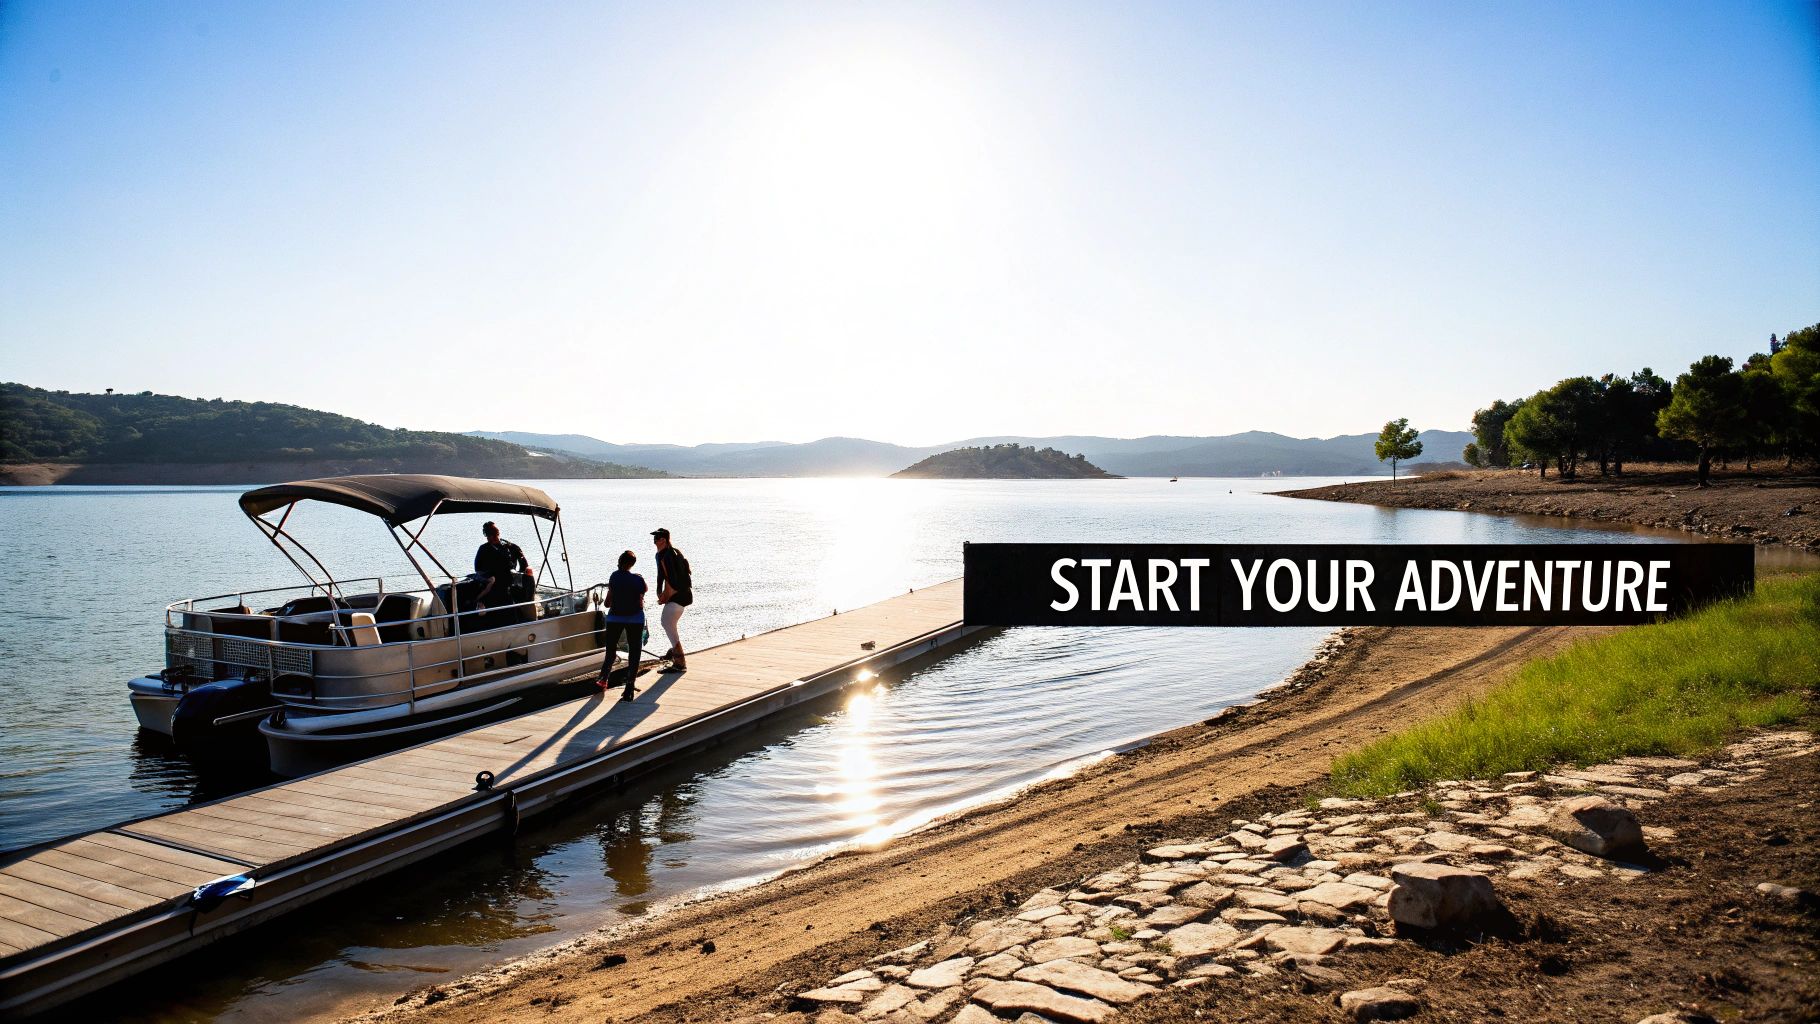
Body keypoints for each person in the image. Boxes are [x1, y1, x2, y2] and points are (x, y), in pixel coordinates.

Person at [596, 549, 647, 701]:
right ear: (632, 564)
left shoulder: (614, 576)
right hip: (635, 619)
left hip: (615, 619)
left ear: (619, 561)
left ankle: (603, 678)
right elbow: (643, 594)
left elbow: (607, 603)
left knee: (610, 650)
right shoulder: (638, 580)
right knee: (635, 651)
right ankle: (629, 687)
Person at [651, 527, 692, 671]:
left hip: (677, 595)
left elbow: (669, 578)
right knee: (668, 624)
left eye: (657, 538)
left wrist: (666, 594)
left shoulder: (665, 555)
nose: (654, 540)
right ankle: (677, 656)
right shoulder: (674, 552)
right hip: (684, 594)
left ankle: (679, 662)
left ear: (664, 540)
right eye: (654, 538)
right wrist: (660, 592)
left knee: (667, 623)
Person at [474, 521, 533, 615]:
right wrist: (488, 579)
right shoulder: (483, 549)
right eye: (488, 535)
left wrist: (520, 576)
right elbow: (478, 569)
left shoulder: (512, 547)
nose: (490, 538)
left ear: (497, 533)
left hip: (510, 585)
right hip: (494, 586)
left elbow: (524, 564)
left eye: (492, 535)